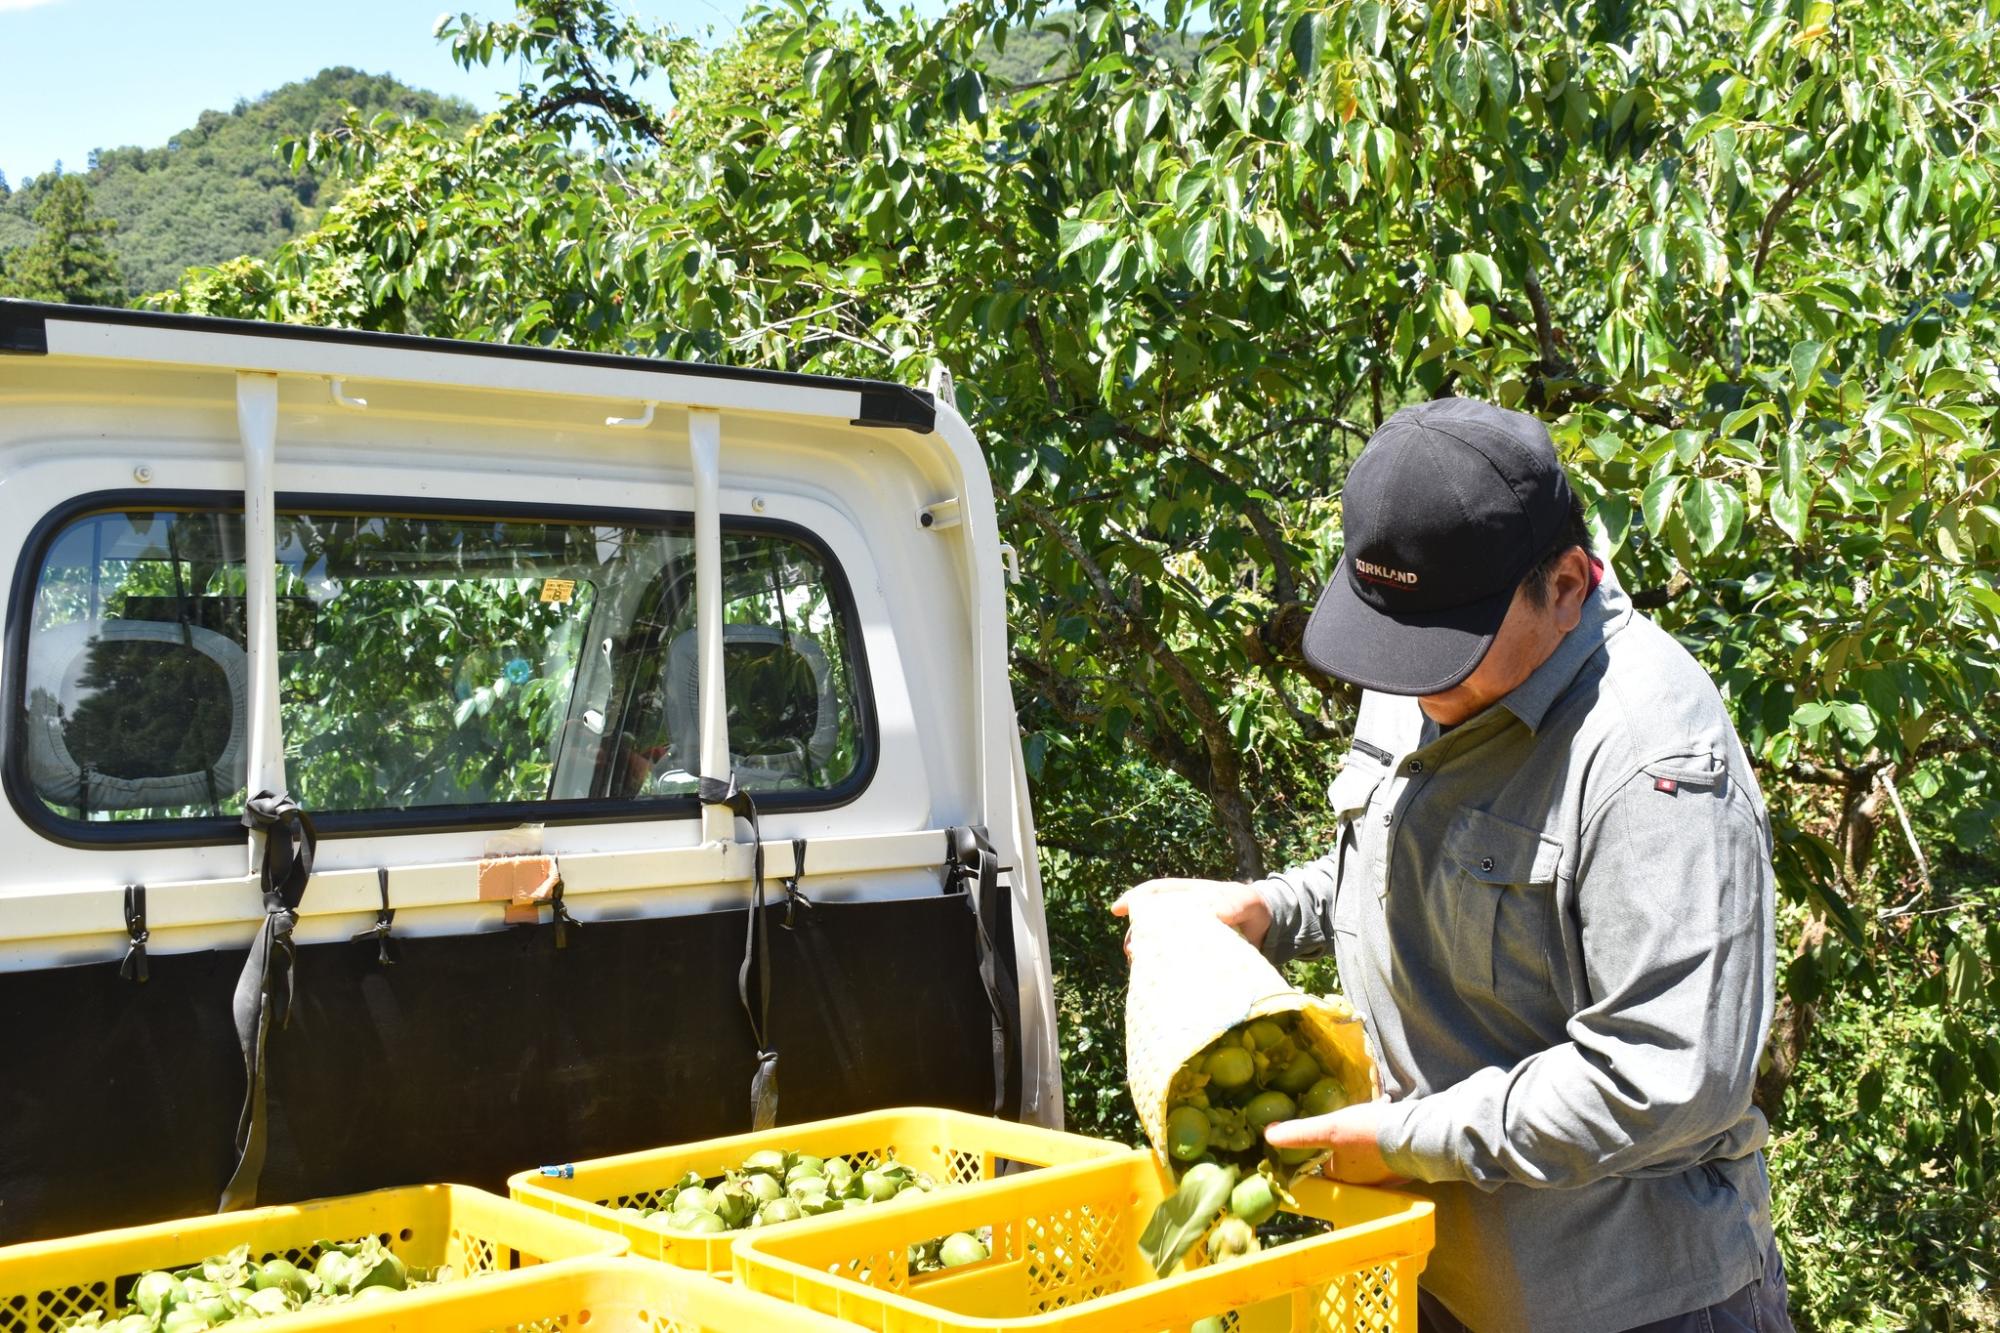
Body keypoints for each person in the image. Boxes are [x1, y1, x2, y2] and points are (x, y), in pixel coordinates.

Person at [1115, 399, 1791, 1333]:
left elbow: (1665, 1076)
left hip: (1619, 1301)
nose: (1417, 690)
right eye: (1393, 649)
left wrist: (1404, 1139)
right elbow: (1412, 855)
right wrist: (1270, 909)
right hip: (1434, 1272)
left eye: (1447, 657)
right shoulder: (1434, 646)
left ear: (1566, 584)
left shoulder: (1647, 757)